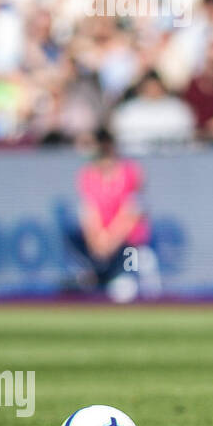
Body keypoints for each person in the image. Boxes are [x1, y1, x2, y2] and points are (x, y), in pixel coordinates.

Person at [68, 128, 157, 300]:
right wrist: (98, 240)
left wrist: (111, 239)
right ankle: (96, 273)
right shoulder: (87, 175)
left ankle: (131, 274)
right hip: (101, 244)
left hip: (127, 243)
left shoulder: (130, 172)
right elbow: (89, 212)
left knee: (126, 289)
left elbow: (131, 211)